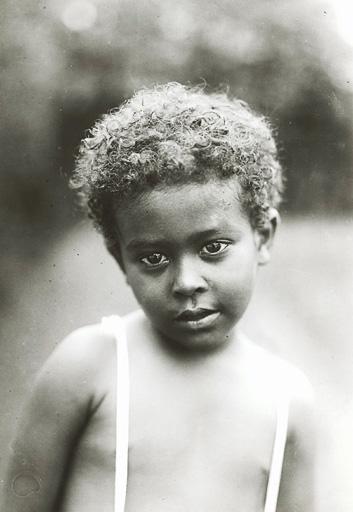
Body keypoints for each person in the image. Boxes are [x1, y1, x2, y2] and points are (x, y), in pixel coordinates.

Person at [2, 82, 316, 512]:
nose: (186, 281)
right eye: (153, 257)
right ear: (119, 260)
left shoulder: (287, 402)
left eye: (213, 248)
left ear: (263, 237)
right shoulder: (90, 366)